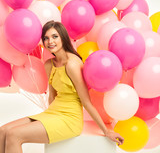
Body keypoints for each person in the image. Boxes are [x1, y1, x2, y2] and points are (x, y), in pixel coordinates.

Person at [0, 21, 124, 153]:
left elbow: (86, 102)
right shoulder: (49, 65)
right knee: (3, 132)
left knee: (14, 136)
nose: (50, 41)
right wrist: (46, 120)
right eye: (46, 38)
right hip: (53, 113)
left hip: (69, 118)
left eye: (54, 36)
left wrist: (106, 131)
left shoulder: (72, 65)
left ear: (63, 38)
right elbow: (52, 96)